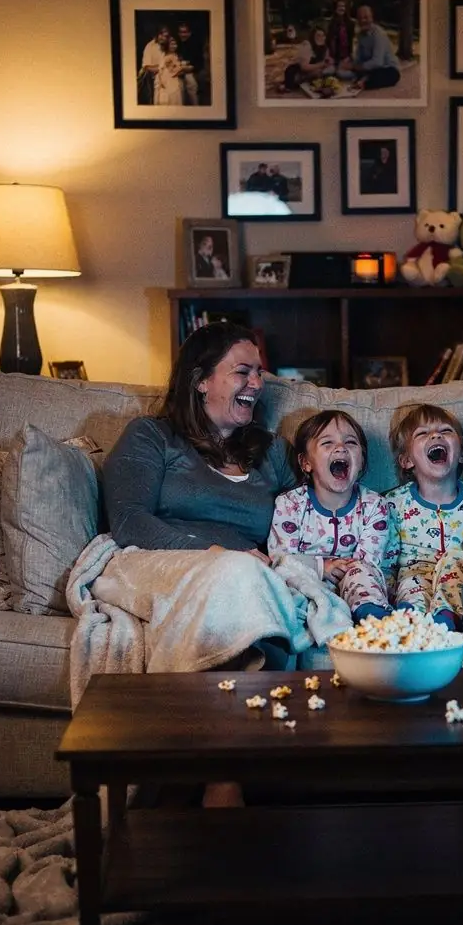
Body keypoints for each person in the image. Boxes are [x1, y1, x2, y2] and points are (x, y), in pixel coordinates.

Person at [102, 321, 299, 806]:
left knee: (249, 585)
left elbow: (307, 517)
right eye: (243, 371)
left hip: (243, 576)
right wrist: (213, 556)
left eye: (260, 372)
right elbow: (128, 521)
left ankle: (209, 774)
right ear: (201, 380)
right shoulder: (153, 436)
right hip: (155, 560)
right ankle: (221, 778)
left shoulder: (271, 451)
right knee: (236, 576)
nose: (257, 383)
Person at [268, 410, 392, 623]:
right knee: (284, 579)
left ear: (361, 461)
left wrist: (343, 571)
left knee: (362, 572)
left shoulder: (374, 505)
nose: (341, 448)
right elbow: (281, 558)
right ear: (306, 462)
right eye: (327, 443)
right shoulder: (290, 504)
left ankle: (375, 624)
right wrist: (321, 567)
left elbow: (369, 561)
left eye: (351, 443)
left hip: (358, 583)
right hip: (308, 581)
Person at [385, 404, 463, 631]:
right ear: (407, 461)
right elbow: (386, 563)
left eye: (446, 430)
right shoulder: (394, 504)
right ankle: (412, 632)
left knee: (455, 558)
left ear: (461, 454)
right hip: (412, 582)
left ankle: (444, 624)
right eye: (422, 433)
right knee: (412, 584)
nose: (436, 435)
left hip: (461, 585)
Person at [351, 4, 401, 91]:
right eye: (360, 18)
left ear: (371, 18)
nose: (363, 20)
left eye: (366, 17)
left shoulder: (379, 34)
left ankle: (365, 83)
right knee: (346, 73)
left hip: (386, 68)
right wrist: (352, 64)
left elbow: (377, 62)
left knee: (391, 76)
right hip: (370, 69)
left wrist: (356, 67)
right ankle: (364, 79)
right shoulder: (360, 35)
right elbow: (359, 57)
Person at [282, 25, 335, 92]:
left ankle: (312, 81)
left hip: (312, 70)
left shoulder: (325, 47)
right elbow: (304, 67)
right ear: (313, 36)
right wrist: (321, 65)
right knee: (315, 74)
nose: (321, 38)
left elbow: (326, 61)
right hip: (297, 72)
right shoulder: (307, 45)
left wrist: (329, 62)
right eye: (318, 35)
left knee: (331, 69)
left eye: (323, 35)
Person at [326, 0, 355, 75]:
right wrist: (329, 57)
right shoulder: (331, 24)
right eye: (339, 6)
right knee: (329, 72)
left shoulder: (350, 24)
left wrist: (349, 57)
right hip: (334, 57)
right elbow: (328, 41)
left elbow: (351, 41)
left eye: (343, 6)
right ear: (335, 8)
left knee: (341, 73)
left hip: (346, 57)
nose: (341, 8)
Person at [155, 35, 184, 105]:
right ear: (167, 45)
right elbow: (172, 71)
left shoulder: (176, 55)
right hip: (167, 80)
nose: (174, 46)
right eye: (172, 44)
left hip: (174, 81)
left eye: (175, 44)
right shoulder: (166, 57)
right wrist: (183, 68)